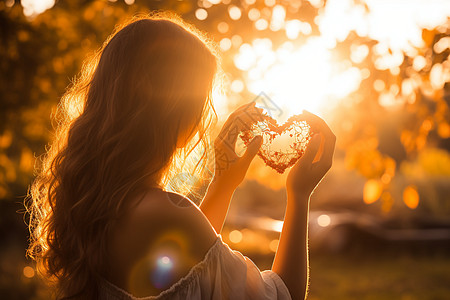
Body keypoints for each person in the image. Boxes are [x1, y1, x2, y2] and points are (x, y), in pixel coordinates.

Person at [26, 12, 335, 300]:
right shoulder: (165, 212)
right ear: (176, 109)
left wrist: (223, 183)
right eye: (201, 100)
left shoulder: (97, 201)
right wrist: (299, 195)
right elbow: (282, 295)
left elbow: (187, 269)